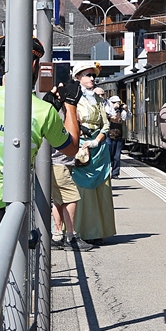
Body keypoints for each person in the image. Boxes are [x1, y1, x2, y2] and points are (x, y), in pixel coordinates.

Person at [0, 38, 81, 316]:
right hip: (1, 204)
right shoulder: (43, 112)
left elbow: (3, 104)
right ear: (35, 67)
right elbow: (71, 147)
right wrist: (68, 105)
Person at [71, 63, 116, 245]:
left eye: (93, 75)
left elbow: (106, 123)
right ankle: (81, 231)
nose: (92, 78)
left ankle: (98, 231)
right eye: (88, 75)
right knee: (83, 191)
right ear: (78, 78)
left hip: (99, 149)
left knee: (101, 190)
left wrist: (98, 140)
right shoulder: (73, 99)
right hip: (83, 150)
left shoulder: (98, 100)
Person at [106, 95, 127, 179]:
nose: (117, 104)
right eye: (114, 103)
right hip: (108, 135)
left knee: (117, 156)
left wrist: (125, 110)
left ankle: (115, 173)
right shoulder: (106, 109)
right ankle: (106, 173)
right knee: (108, 155)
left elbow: (125, 118)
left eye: (118, 103)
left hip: (118, 135)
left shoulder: (121, 111)